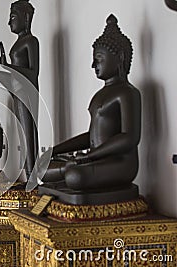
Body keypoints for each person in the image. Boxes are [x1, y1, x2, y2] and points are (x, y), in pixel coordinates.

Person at [37, 14, 141, 191]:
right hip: (95, 160)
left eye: (99, 58)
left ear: (120, 57)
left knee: (75, 176)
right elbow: (91, 136)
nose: (94, 64)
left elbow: (129, 138)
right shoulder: (100, 95)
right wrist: (55, 150)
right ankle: (69, 173)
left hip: (120, 164)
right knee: (42, 168)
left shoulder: (128, 92)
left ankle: (71, 174)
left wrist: (89, 156)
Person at [0, 0, 39, 178]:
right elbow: (13, 79)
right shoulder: (19, 42)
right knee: (22, 138)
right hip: (17, 93)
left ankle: (32, 180)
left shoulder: (31, 41)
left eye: (13, 17)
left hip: (28, 93)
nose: (9, 22)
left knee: (29, 137)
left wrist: (8, 67)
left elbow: (33, 73)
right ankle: (27, 177)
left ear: (26, 18)